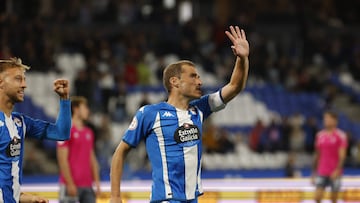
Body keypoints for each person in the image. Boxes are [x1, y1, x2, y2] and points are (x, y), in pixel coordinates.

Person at [110, 25, 249, 203]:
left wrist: (242, 59)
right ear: (174, 81)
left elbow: (235, 87)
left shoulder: (200, 109)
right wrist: (115, 196)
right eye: (193, 76)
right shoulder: (150, 114)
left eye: (199, 76)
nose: (200, 81)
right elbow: (120, 152)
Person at [0, 57, 71, 203]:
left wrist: (64, 100)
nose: (24, 85)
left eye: (24, 79)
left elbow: (61, 133)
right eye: (18, 79)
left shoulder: (20, 122)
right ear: (1, 82)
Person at [57, 96, 101, 203]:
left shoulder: (89, 132)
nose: (88, 111)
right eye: (85, 107)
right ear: (76, 109)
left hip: (87, 186)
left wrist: (97, 181)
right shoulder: (66, 131)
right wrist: (70, 183)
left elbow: (92, 158)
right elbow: (62, 159)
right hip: (70, 185)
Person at [311, 111, 347, 203]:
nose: (326, 120)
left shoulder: (341, 136)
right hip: (322, 171)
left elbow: (342, 156)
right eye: (325, 118)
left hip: (335, 172)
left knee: (333, 199)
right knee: (317, 198)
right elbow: (317, 155)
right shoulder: (319, 135)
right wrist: (314, 173)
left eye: (328, 118)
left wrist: (337, 170)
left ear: (335, 121)